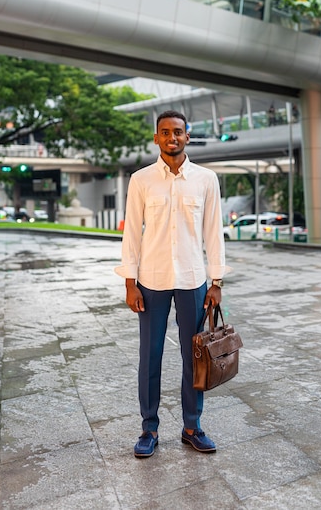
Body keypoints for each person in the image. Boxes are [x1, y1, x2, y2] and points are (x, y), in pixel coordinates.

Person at [115, 110, 230, 458]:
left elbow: (214, 231)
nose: (172, 137)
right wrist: (130, 282)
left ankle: (192, 426)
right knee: (149, 357)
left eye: (178, 132)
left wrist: (216, 281)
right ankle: (149, 429)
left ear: (187, 136)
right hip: (151, 280)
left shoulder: (206, 179)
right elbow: (132, 232)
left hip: (194, 281)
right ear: (156, 138)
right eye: (165, 132)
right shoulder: (141, 180)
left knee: (194, 357)